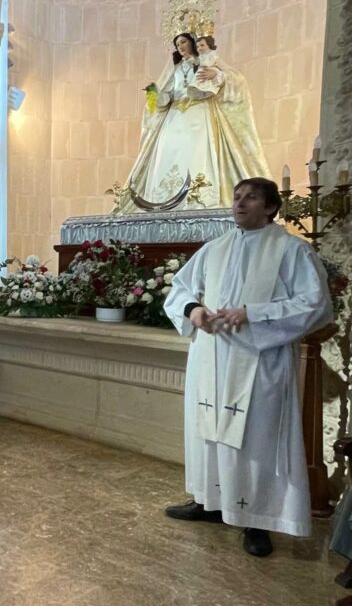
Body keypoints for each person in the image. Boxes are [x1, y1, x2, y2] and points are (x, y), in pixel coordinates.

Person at [163, 178, 332, 557]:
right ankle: (209, 502)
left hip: (260, 362)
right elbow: (180, 289)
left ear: (271, 208)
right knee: (208, 433)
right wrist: (195, 311)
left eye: (250, 197)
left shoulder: (291, 251)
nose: (239, 203)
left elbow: (315, 304)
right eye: (236, 196)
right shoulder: (215, 249)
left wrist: (253, 314)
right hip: (212, 359)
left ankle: (256, 519)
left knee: (255, 439)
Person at [123, 32, 271, 210]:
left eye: (184, 42)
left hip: (199, 114)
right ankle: (164, 201)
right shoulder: (176, 68)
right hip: (174, 118)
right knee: (168, 153)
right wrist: (155, 94)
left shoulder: (207, 61)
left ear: (193, 43)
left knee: (197, 153)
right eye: (177, 44)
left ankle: (198, 200)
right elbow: (168, 95)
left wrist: (216, 74)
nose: (181, 46)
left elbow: (236, 79)